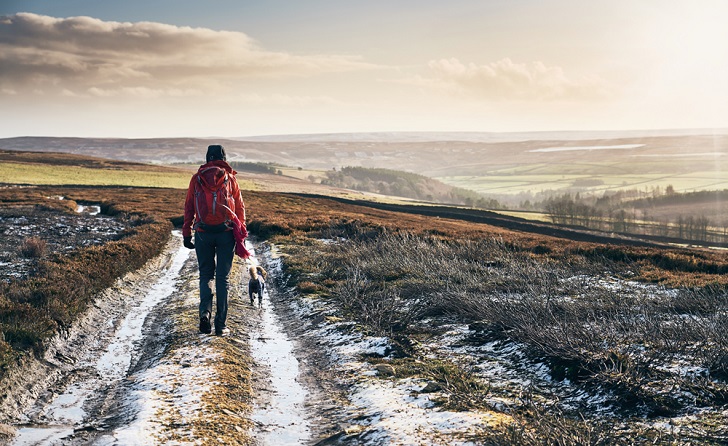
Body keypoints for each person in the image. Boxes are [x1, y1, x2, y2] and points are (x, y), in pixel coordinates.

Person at [183, 144, 246, 336]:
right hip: (226, 233)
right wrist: (241, 234)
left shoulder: (197, 178)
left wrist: (187, 233)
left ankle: (205, 315)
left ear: (207, 158)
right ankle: (220, 325)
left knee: (206, 276)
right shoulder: (230, 179)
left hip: (203, 233)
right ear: (224, 158)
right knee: (222, 279)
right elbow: (240, 208)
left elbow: (189, 207)